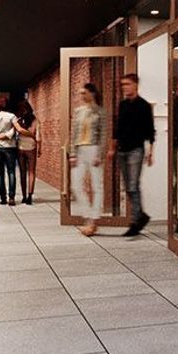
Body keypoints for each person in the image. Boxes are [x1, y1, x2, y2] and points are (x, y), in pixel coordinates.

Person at [108, 73, 154, 236]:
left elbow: (150, 130)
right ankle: (141, 216)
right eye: (122, 85)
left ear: (135, 85)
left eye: (127, 84)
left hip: (136, 150)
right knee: (128, 187)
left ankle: (136, 221)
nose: (124, 87)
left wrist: (150, 152)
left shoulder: (144, 106)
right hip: (122, 150)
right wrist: (112, 148)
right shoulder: (122, 105)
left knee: (133, 185)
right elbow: (117, 128)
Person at [71, 82, 104, 237]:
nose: (81, 96)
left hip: (94, 149)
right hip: (80, 149)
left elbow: (103, 134)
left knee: (97, 186)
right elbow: (74, 133)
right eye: (81, 93)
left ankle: (92, 222)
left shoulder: (100, 111)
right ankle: (89, 215)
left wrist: (100, 154)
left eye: (84, 93)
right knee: (75, 185)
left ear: (92, 93)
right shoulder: (78, 111)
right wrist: (72, 153)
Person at [0, 98, 19, 205]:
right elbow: (16, 130)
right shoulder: (12, 116)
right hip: (10, 148)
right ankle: (11, 197)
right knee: (11, 172)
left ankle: (3, 198)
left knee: (0, 174)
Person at [14, 99, 40, 204]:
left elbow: (18, 131)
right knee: (32, 172)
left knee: (22, 173)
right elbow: (38, 136)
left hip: (20, 148)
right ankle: (30, 196)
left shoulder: (18, 120)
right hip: (32, 147)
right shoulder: (35, 120)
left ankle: (24, 196)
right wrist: (40, 147)